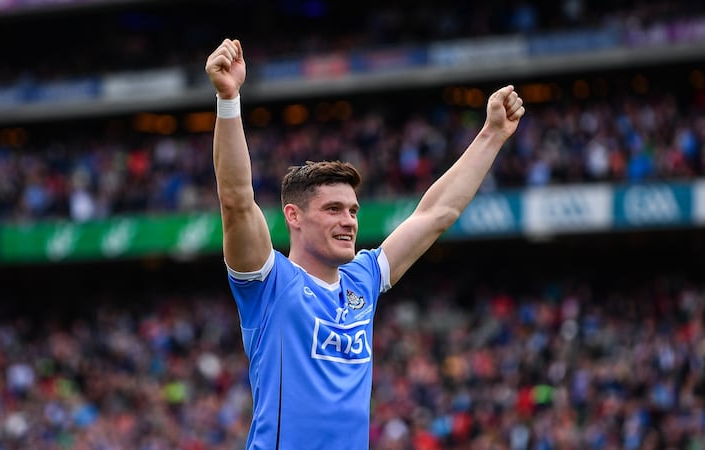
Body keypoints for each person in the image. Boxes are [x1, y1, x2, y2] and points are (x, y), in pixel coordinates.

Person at [205, 38, 525, 450]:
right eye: (333, 209)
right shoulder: (269, 283)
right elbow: (236, 201)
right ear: (294, 216)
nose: (349, 221)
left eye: (353, 211)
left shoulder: (363, 278)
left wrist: (492, 135)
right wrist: (228, 99)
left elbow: (436, 214)